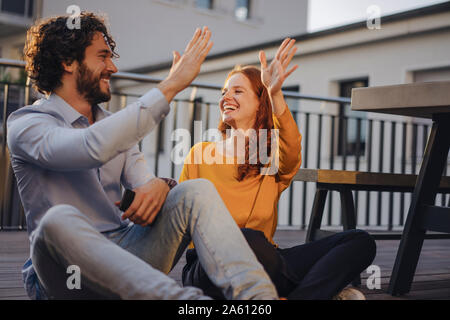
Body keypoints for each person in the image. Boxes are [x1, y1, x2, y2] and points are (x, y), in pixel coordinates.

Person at [7, 12, 279, 300]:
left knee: (196, 191)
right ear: (68, 62)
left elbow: (146, 187)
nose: (112, 67)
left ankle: (260, 299)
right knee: (56, 221)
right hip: (65, 276)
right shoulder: (27, 124)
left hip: (128, 259)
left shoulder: (113, 126)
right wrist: (170, 86)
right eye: (102, 56)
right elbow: (88, 147)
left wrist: (162, 186)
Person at [179, 38, 377, 300]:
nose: (226, 97)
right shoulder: (200, 154)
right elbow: (180, 217)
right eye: (224, 92)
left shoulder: (271, 155)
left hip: (267, 258)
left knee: (359, 241)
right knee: (244, 239)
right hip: (208, 265)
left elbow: (292, 149)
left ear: (261, 103)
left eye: (237, 91)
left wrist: (275, 94)